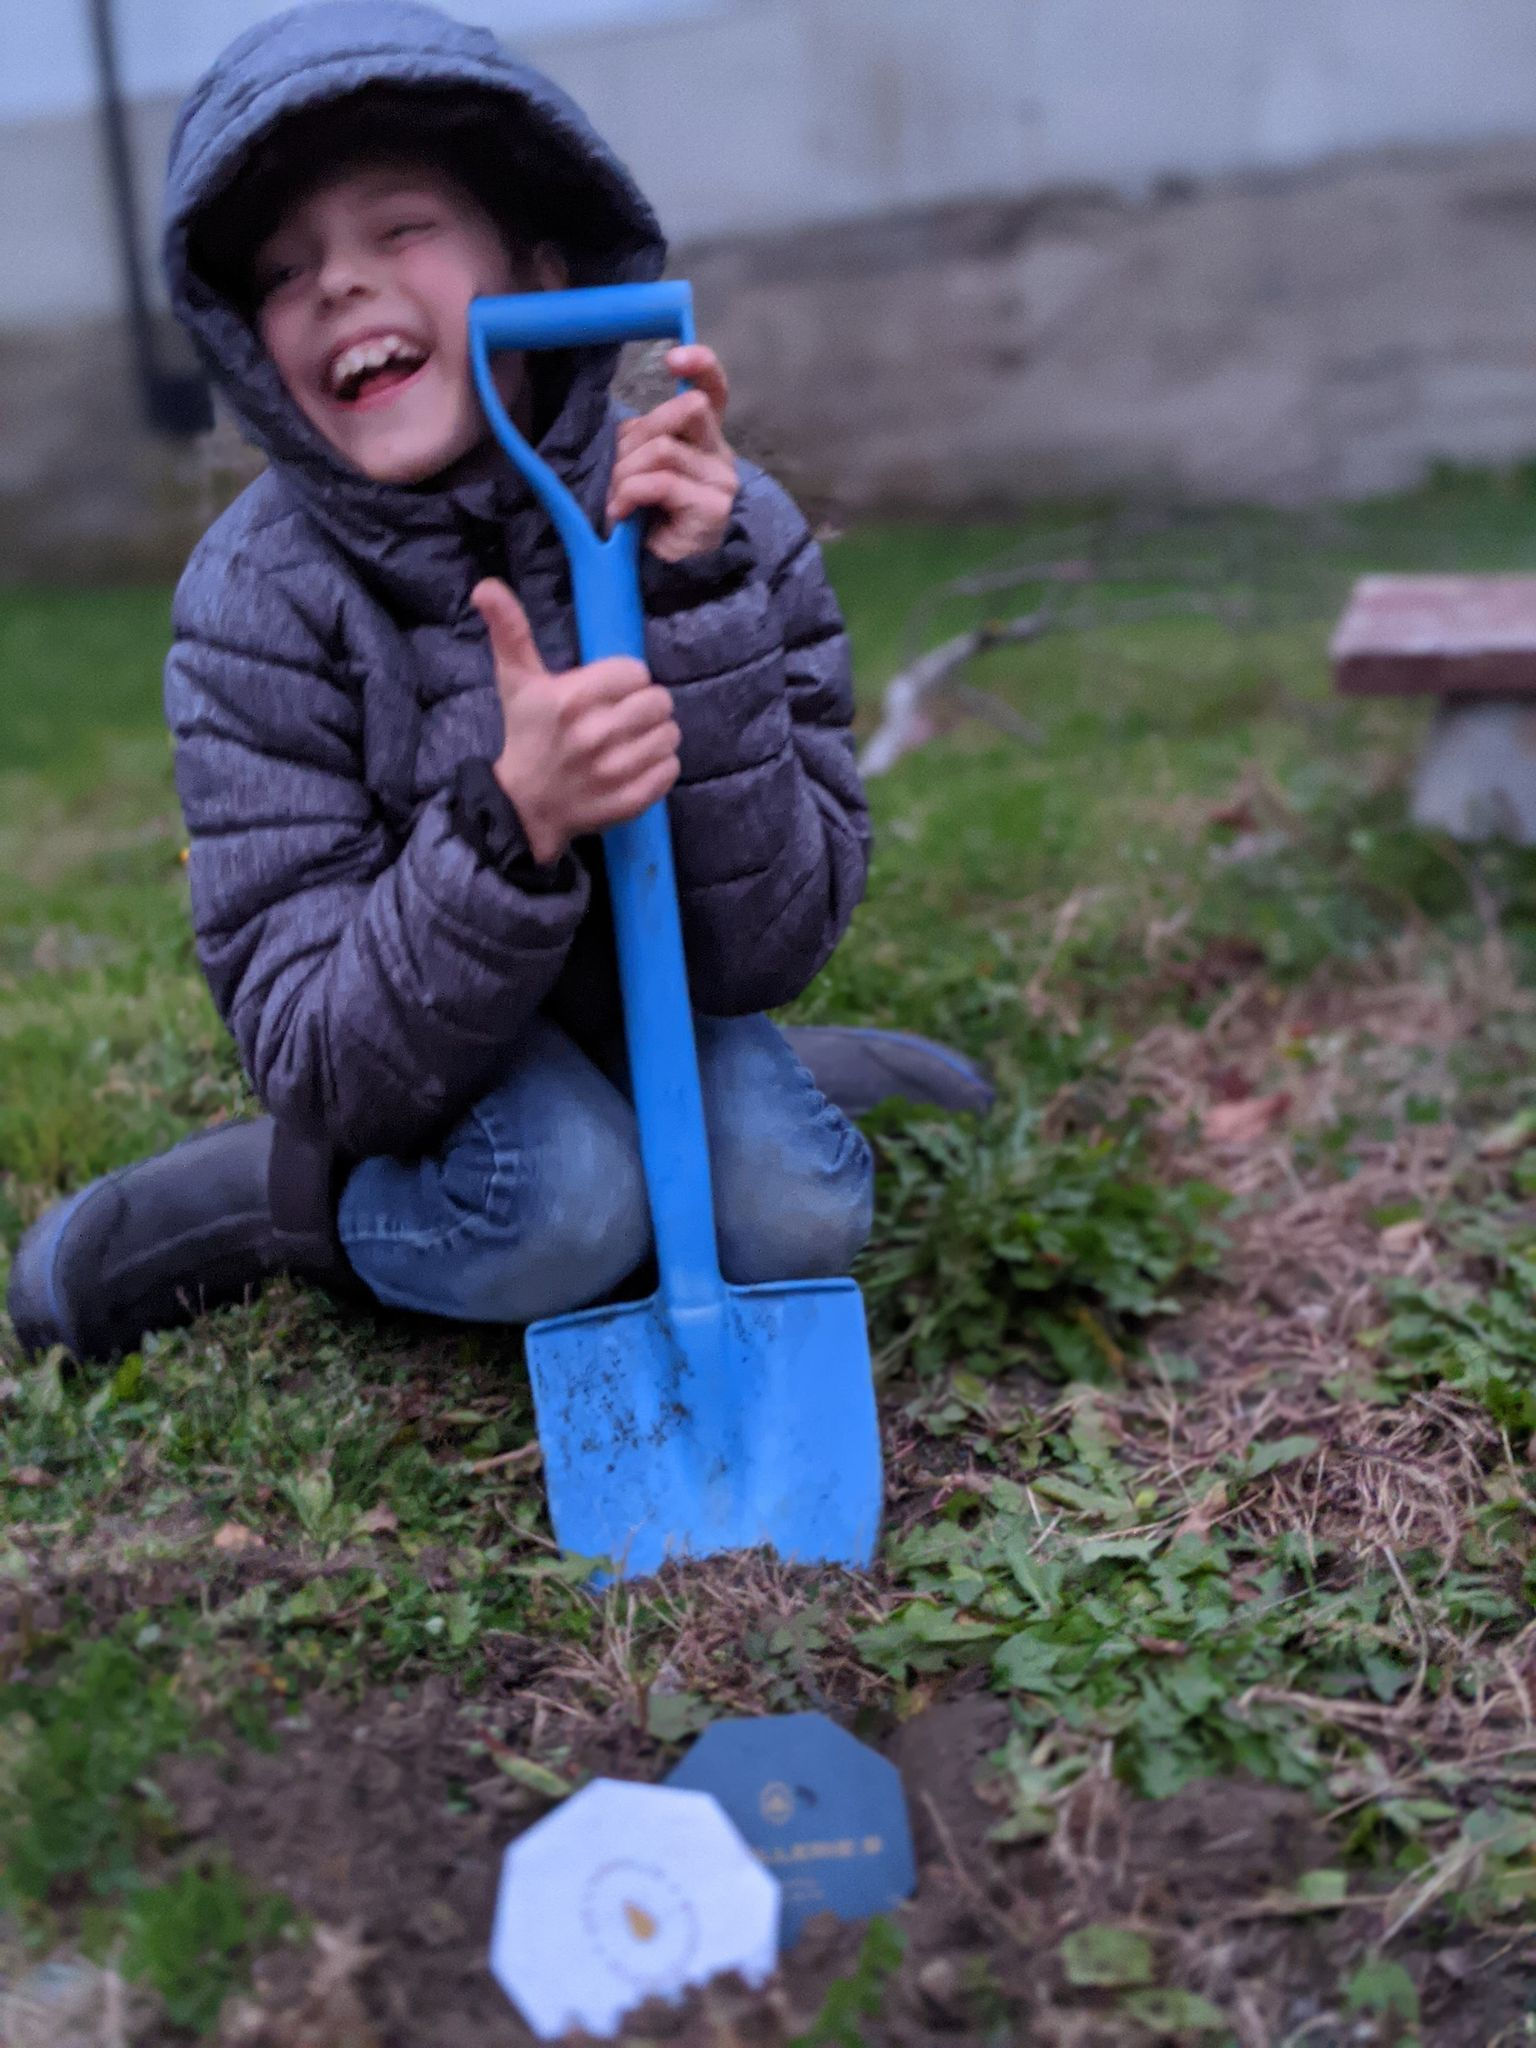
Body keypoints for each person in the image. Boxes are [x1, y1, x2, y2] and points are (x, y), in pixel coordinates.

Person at [7, 0, 991, 1365]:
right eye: (285, 274)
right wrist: (505, 826)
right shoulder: (254, 604)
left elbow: (767, 947)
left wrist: (692, 603)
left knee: (799, 1205)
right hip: (408, 1067)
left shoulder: (717, 520)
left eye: (401, 228)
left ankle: (750, 1097)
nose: (340, 285)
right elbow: (316, 1039)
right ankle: (273, 1201)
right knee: (564, 1213)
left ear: (540, 271)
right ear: (253, 350)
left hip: (654, 998)